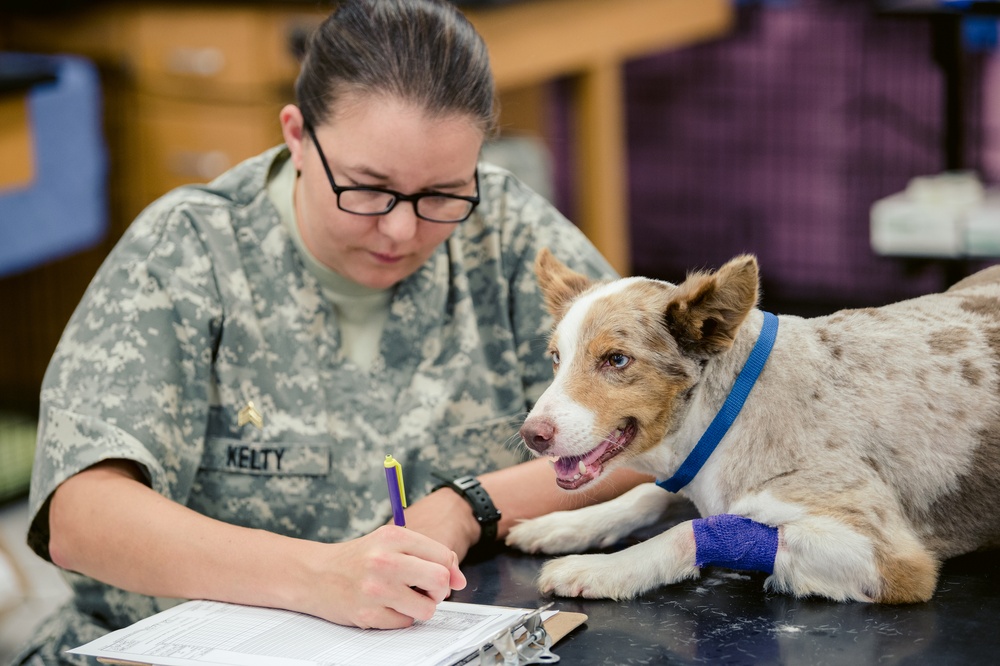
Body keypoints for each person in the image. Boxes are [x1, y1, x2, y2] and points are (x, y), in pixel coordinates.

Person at [13, 0, 649, 662]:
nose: (402, 230)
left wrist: (471, 505)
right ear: (296, 134)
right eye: (368, 189)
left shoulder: (507, 234)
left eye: (441, 195)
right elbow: (81, 518)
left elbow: (662, 427)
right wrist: (321, 577)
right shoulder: (189, 252)